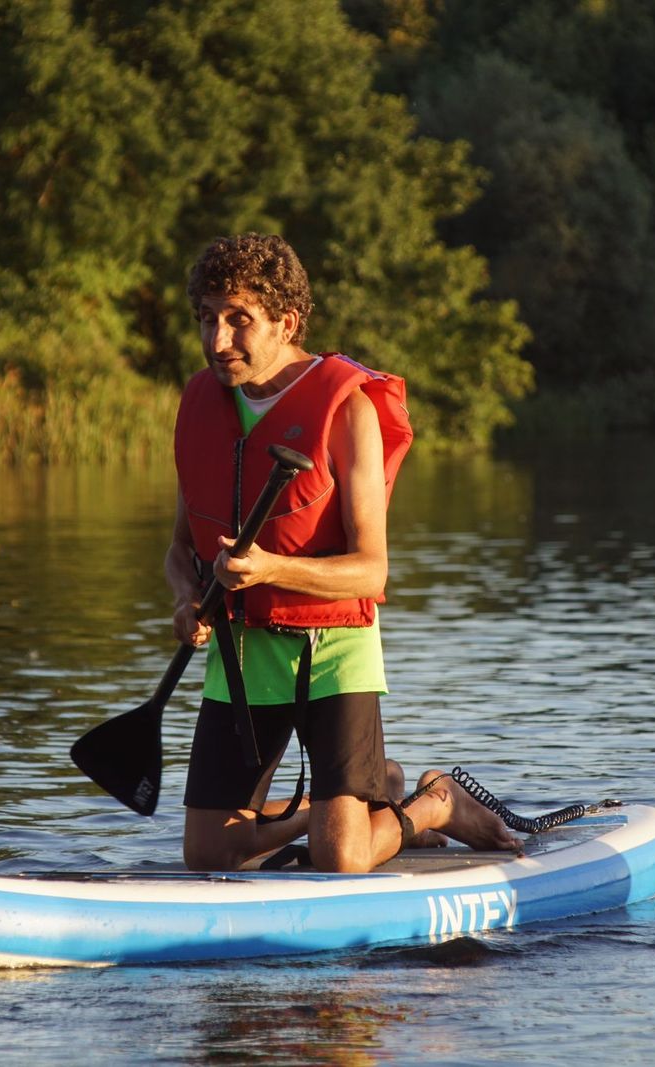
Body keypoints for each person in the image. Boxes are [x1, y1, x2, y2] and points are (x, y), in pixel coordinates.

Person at [168, 233, 523, 873]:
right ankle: (369, 795)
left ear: (287, 322)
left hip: (330, 649)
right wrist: (184, 597)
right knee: (207, 854)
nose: (217, 340)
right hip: (241, 649)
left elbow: (371, 569)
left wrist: (272, 569)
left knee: (342, 863)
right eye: (206, 319)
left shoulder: (347, 408)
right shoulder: (200, 406)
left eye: (238, 320)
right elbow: (178, 547)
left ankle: (432, 804)